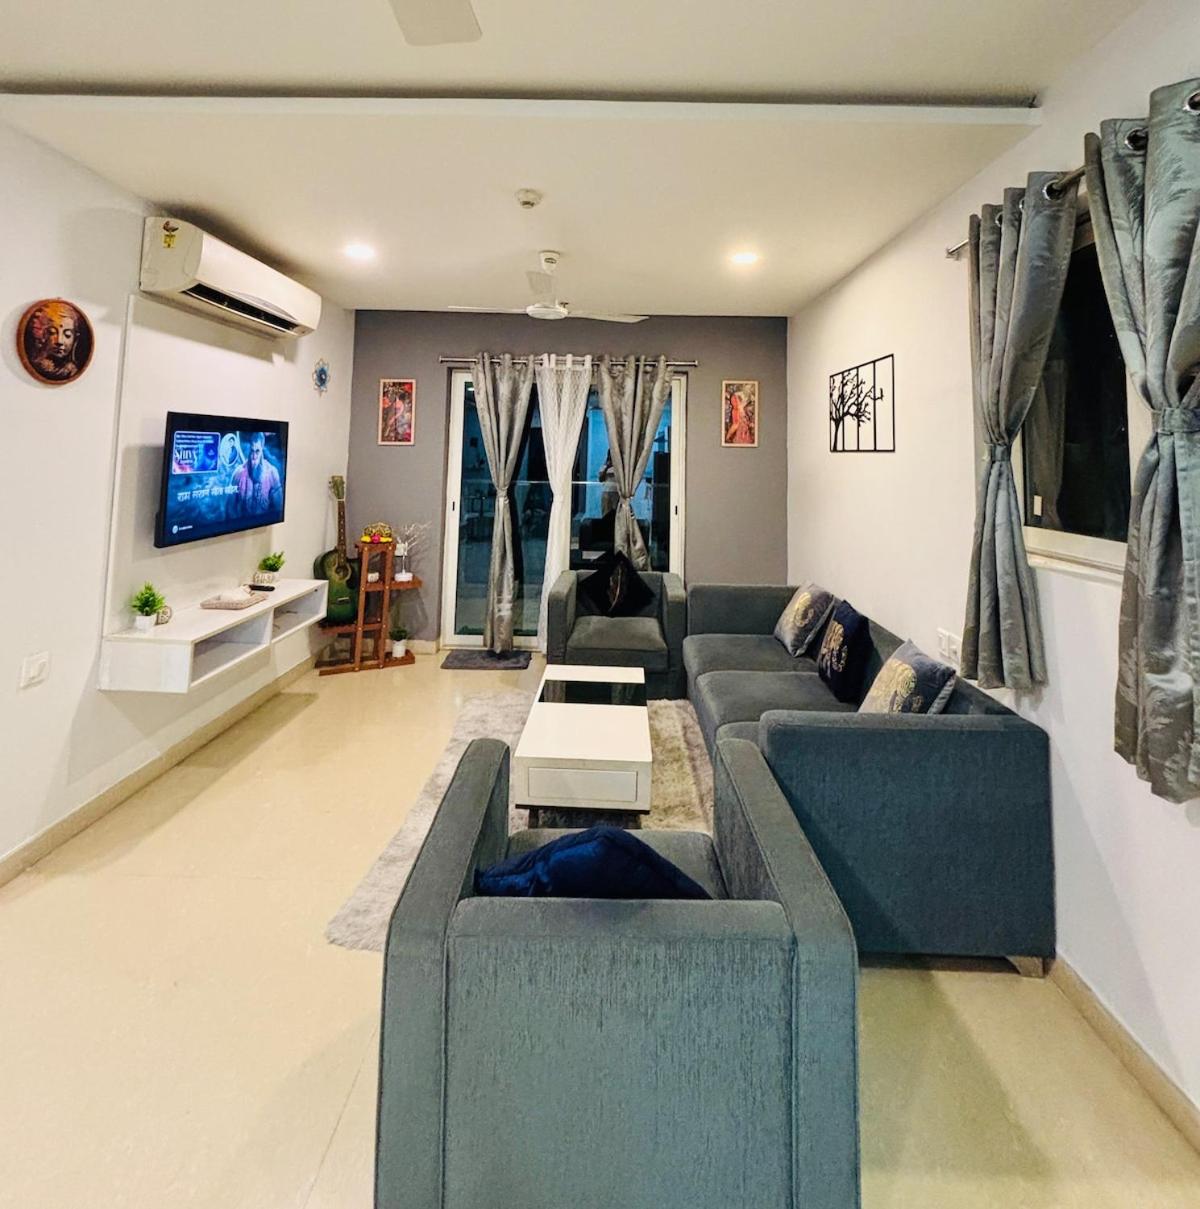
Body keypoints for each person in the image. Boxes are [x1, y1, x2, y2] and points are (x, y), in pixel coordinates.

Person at [24, 301, 86, 382]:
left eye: (67, 335)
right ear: (42, 335)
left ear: (75, 338)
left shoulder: (72, 371)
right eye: (52, 333)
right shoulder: (35, 366)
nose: (59, 341)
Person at [229, 432, 282, 517]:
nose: (254, 456)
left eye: (257, 451)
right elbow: (230, 509)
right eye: (252, 451)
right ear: (249, 448)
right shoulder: (238, 473)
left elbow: (278, 511)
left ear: (262, 448)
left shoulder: (272, 473)